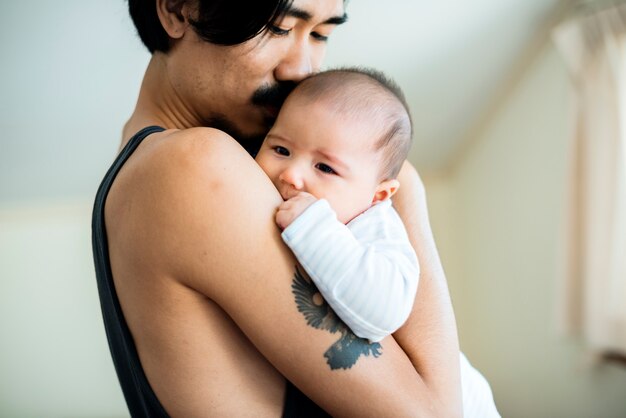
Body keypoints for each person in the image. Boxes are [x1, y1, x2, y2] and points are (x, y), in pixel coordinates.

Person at [92, 0, 463, 416]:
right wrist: (404, 186)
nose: (301, 69)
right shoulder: (194, 164)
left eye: (321, 34)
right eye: (279, 27)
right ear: (178, 10)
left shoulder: (151, 168)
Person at [256, 67, 501, 417]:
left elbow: (382, 313)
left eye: (325, 168)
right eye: (280, 149)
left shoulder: (376, 226)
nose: (292, 175)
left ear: (379, 194)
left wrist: (312, 228)